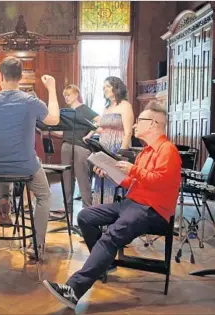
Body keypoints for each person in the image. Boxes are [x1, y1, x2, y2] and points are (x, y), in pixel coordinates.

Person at [43, 101, 182, 309]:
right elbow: (133, 182)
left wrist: (132, 171)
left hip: (153, 210)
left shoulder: (167, 150)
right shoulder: (145, 152)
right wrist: (110, 171)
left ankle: (74, 289)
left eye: (139, 121)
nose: (134, 126)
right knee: (85, 217)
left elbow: (159, 181)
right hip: (133, 203)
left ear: (153, 124)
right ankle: (102, 265)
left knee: (110, 237)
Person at [0, 56, 60, 259]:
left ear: (1, 76)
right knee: (45, 196)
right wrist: (52, 88)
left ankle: (5, 202)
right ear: (20, 77)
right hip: (25, 167)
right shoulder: (29, 101)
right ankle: (36, 246)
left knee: (6, 167)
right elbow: (54, 119)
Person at [53, 85, 99, 211]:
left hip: (80, 146)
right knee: (67, 178)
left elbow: (99, 122)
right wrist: (49, 131)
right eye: (65, 96)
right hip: (66, 145)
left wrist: (89, 135)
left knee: (82, 178)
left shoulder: (84, 109)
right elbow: (63, 133)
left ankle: (87, 209)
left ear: (76, 94)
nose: (66, 98)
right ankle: (67, 208)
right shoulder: (66, 113)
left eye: (69, 95)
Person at [92, 76, 134, 205]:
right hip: (104, 147)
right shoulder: (106, 108)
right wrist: (90, 129)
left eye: (108, 86)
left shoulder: (125, 106)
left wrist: (120, 155)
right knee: (101, 180)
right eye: (104, 87)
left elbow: (128, 132)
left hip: (117, 149)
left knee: (114, 182)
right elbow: (104, 129)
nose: (105, 89)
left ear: (117, 88)